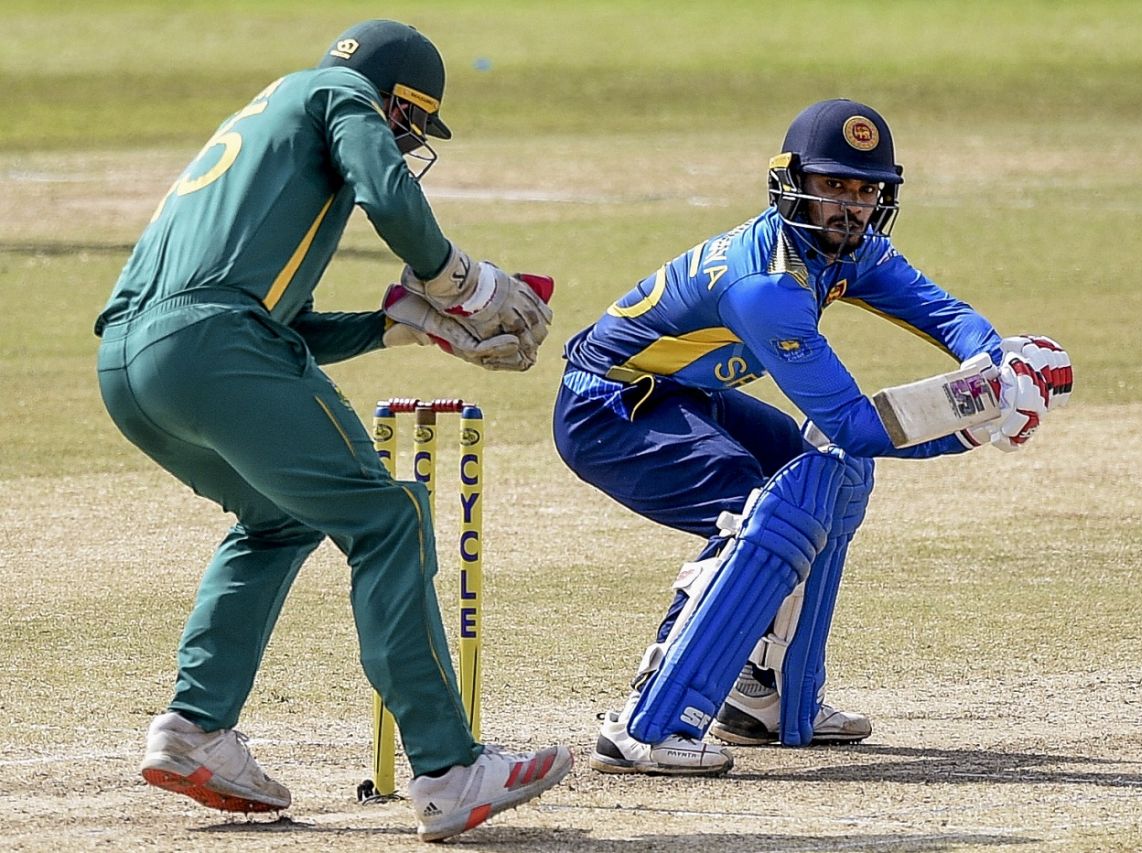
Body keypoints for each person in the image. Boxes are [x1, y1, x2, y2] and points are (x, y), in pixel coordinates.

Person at [94, 19, 570, 840]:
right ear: (394, 101)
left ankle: (195, 727)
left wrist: (401, 326)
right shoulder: (339, 92)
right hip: (215, 345)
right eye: (410, 125)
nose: (406, 142)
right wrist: (461, 283)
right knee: (388, 519)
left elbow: (282, 323)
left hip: (129, 366)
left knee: (278, 520)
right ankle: (449, 767)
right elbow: (386, 192)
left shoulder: (268, 127)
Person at [552, 98, 1073, 776]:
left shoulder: (850, 248)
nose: (850, 206)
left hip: (683, 395)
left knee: (830, 475)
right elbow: (854, 423)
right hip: (608, 408)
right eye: (833, 185)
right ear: (791, 183)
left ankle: (762, 698)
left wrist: (1002, 361)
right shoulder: (766, 285)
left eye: (866, 191)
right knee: (768, 508)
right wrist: (974, 420)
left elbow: (945, 315)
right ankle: (646, 724)